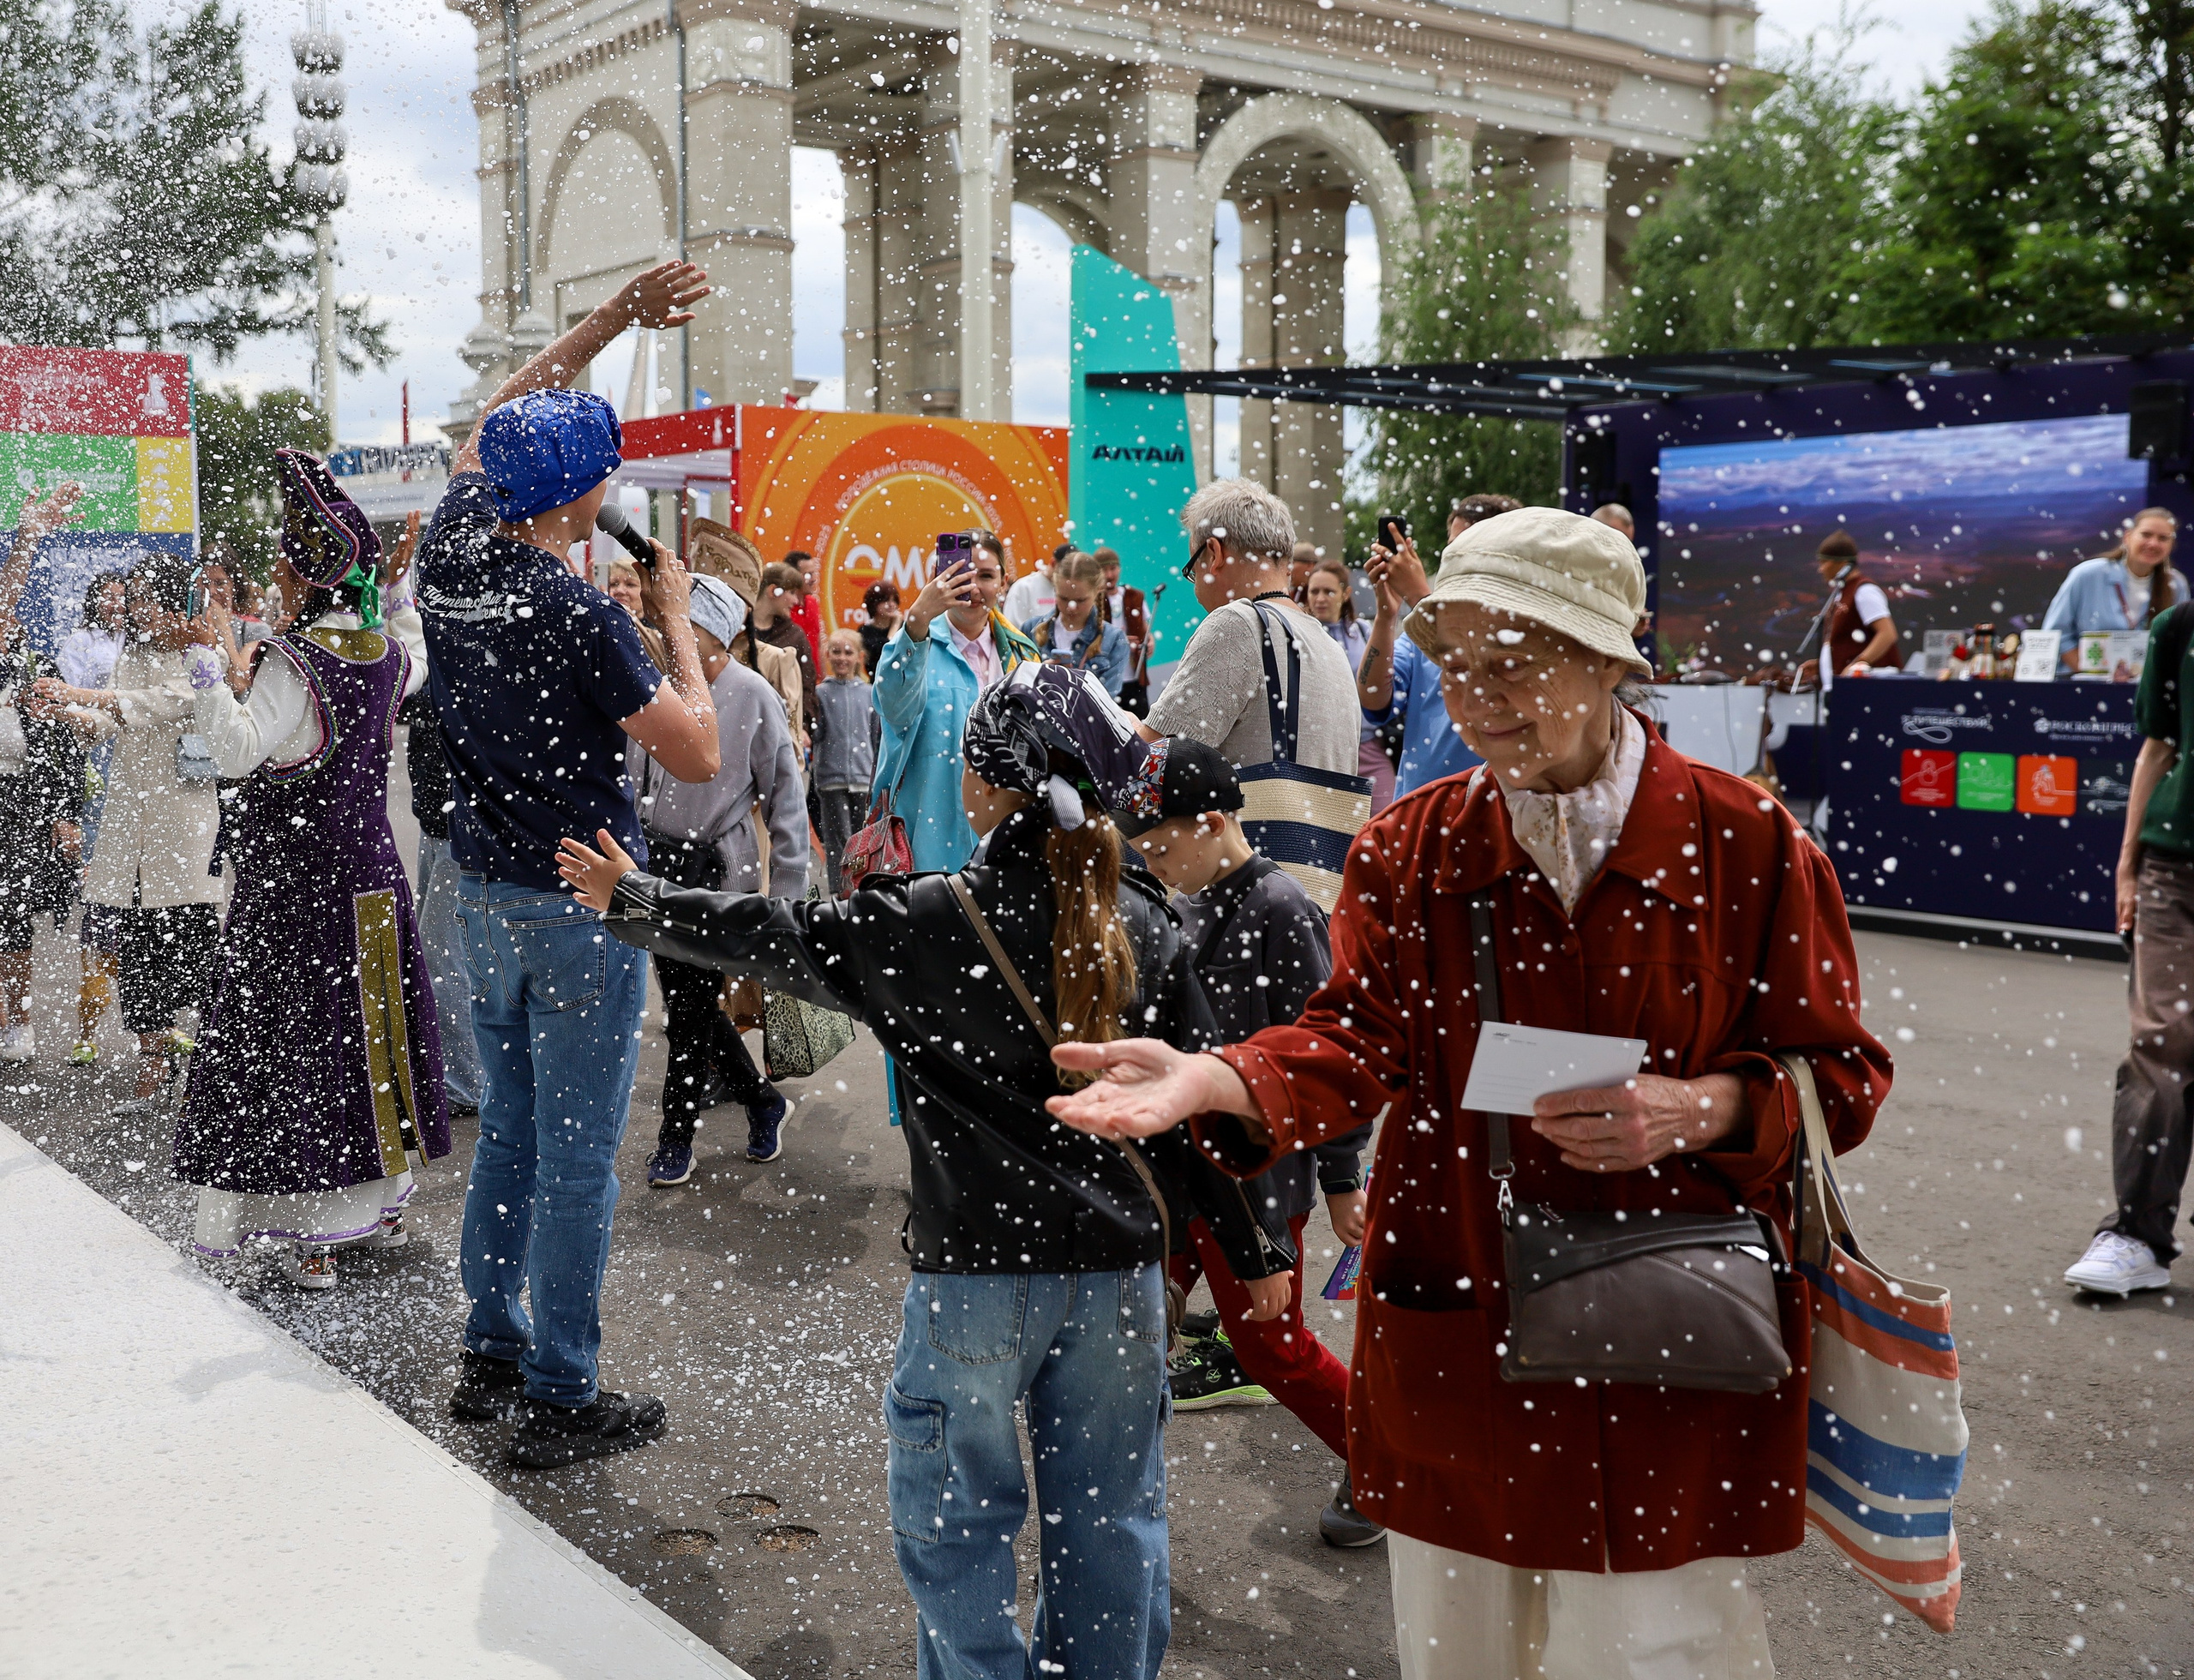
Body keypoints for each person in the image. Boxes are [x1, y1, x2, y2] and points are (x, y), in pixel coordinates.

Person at [1046, 505, 1894, 1680]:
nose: (1476, 698)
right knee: (1465, 1654)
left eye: (1511, 664)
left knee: (1653, 1655)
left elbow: (1843, 1076)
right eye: (1453, 664)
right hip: (1461, 1322)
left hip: (1664, 1340)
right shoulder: (1412, 848)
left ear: (1605, 662)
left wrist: (1702, 1109)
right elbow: (1356, 1039)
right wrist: (1221, 1075)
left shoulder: (1747, 844)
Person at [560, 661, 1292, 1680]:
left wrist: (634, 900)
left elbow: (772, 934)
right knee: (1112, 1519)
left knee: (958, 1531)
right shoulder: (1145, 916)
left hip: (978, 1275)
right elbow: (1198, 1111)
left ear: (985, 783)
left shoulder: (927, 920)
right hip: (1119, 1275)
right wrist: (1253, 1248)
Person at [414, 258, 722, 1469]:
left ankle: (491, 1349)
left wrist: (611, 319)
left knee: (511, 1133)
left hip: (486, 891)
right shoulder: (580, 612)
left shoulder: (450, 552)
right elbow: (698, 753)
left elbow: (498, 418)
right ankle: (560, 1390)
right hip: (583, 901)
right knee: (580, 1154)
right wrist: (678, 619)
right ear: (590, 494)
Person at [167, 451, 451, 1289]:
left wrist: (206, 664)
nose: (276, 580)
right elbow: (414, 645)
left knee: (298, 1049)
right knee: (369, 1038)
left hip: (296, 888)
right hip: (371, 878)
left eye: (285, 567)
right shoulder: (383, 655)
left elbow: (236, 750)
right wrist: (393, 592)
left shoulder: (298, 662)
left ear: (306, 578)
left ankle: (315, 1237)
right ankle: (379, 1202)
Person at [1118, 735, 1378, 1548]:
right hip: (1179, 1172)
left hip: (1257, 1181)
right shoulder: (1187, 898)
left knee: (1274, 1349)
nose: (1155, 866)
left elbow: (1327, 1054)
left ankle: (1382, 1460)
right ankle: (1111, 1504)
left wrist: (1342, 1178)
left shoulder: (1281, 907)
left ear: (1213, 822)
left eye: (1162, 848)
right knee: (1131, 1328)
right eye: (1144, 853)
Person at [636, 573, 809, 1186]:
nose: (671, 633)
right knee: (693, 1005)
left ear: (722, 635)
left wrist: (787, 899)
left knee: (687, 1011)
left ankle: (675, 1137)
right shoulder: (658, 685)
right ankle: (762, 1101)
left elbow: (787, 797)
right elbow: (635, 773)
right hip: (653, 865)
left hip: (717, 870)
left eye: (687, 625)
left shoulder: (753, 693)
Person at [32, 555, 221, 1110]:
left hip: (181, 832)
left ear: (174, 600)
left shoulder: (198, 655)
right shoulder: (131, 655)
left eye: (146, 597)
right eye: (134, 598)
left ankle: (214, 1072)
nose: (138, 609)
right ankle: (153, 1072)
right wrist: (63, 713)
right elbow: (107, 720)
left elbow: (153, 704)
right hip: (130, 831)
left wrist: (81, 695)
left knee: (194, 960)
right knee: (139, 965)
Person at [2066, 586, 2194, 1295]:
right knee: (2161, 1046)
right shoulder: (2180, 628)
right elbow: (2158, 745)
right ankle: (2138, 1234)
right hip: (2173, 866)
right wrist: (2128, 864)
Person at [1139, 479, 1357, 782]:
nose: (1196, 587)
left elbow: (1154, 759)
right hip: (1327, 813)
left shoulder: (1237, 624)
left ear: (1214, 553)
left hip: (1253, 815)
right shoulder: (1328, 643)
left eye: (1192, 570)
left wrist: (1118, 724)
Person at [873, 531, 1040, 872]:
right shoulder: (914, 642)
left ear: (1004, 582)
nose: (974, 587)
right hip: (925, 848)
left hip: (1006, 848)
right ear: (939, 578)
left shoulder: (1023, 655)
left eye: (986, 576)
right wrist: (918, 620)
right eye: (962, 574)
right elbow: (893, 710)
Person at [0, 485, 91, 1064]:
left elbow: (59, 749)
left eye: (9, 616)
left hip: (14, 802)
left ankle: (18, 1022)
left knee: (11, 918)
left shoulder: (31, 669)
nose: (5, 620)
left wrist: (64, 813)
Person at [1358, 503, 1508, 798]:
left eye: (1469, 547)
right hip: (1419, 811)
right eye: (1451, 548)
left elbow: (1476, 665)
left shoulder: (1517, 626)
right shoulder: (1422, 628)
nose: (1455, 558)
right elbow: (1373, 700)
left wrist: (1419, 597)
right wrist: (1386, 616)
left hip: (1491, 807)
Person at [59, 567, 129, 1065]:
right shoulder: (80, 643)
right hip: (96, 763)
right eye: (107, 596)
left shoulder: (145, 644)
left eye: (124, 597)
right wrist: (92, 713)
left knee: (143, 909)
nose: (116, 605)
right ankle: (87, 1028)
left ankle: (159, 1029)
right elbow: (68, 703)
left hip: (140, 771)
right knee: (100, 898)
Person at [2042, 507, 2187, 674]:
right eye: (2146, 535)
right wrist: (2090, 674)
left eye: (2163, 538)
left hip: (2146, 686)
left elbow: (2180, 643)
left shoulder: (2176, 584)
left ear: (2171, 545)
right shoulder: (2087, 575)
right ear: (2128, 537)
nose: (2153, 543)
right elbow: (2057, 634)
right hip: (2084, 682)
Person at [1305, 555, 1393, 811]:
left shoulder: (1363, 631)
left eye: (1328, 591)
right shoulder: (1299, 634)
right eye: (1314, 591)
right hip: (1321, 752)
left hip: (1368, 745)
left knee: (1387, 819)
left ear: (1345, 594)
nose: (1320, 598)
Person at [813, 627, 880, 896]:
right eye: (836, 651)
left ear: (859, 657)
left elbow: (876, 737)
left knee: (861, 837)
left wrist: (876, 772)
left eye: (848, 652)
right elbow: (817, 733)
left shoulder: (869, 693)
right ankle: (840, 891)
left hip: (863, 778)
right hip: (831, 779)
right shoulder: (820, 693)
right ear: (827, 655)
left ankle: (860, 887)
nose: (842, 657)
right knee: (837, 837)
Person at [1022, 550, 1130, 692]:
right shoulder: (1030, 629)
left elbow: (1105, 700)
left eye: (1080, 600)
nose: (1071, 607)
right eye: (1063, 598)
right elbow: (1016, 690)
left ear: (1098, 591)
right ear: (1055, 589)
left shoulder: (1114, 639)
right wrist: (1041, 675)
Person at [1801, 530, 1900, 683]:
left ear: (1843, 564)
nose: (1821, 569)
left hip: (1863, 687)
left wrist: (1860, 662)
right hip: (1841, 685)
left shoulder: (1864, 591)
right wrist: (1823, 665)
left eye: (1824, 563)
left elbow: (1887, 634)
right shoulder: (1842, 592)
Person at [753, 559, 824, 760]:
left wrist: (803, 726)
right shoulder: (738, 628)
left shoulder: (795, 636)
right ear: (772, 591)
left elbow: (807, 686)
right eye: (792, 593)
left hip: (782, 734)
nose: (796, 601)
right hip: (742, 726)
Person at [1094, 547, 1154, 713]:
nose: (1109, 575)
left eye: (1113, 568)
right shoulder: (1091, 601)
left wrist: (1150, 640)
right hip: (1106, 679)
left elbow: (1144, 627)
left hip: (1135, 676)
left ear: (1119, 569)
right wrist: (1120, 642)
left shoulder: (1134, 596)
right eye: (1104, 570)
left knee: (1140, 722)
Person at [1000, 540, 1061, 627]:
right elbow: (1011, 626)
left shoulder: (1070, 590)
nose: (1068, 578)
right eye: (1066, 572)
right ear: (1053, 563)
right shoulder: (1023, 587)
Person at [784, 549, 824, 659]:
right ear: (793, 576)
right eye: (808, 575)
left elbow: (818, 644)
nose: (814, 579)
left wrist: (822, 671)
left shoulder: (813, 603)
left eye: (814, 573)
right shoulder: (783, 607)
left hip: (812, 670)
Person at [859, 579, 901, 677]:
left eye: (894, 600)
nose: (891, 604)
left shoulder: (904, 627)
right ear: (874, 603)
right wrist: (895, 626)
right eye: (886, 600)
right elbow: (883, 656)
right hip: (876, 681)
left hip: (900, 681)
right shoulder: (865, 631)